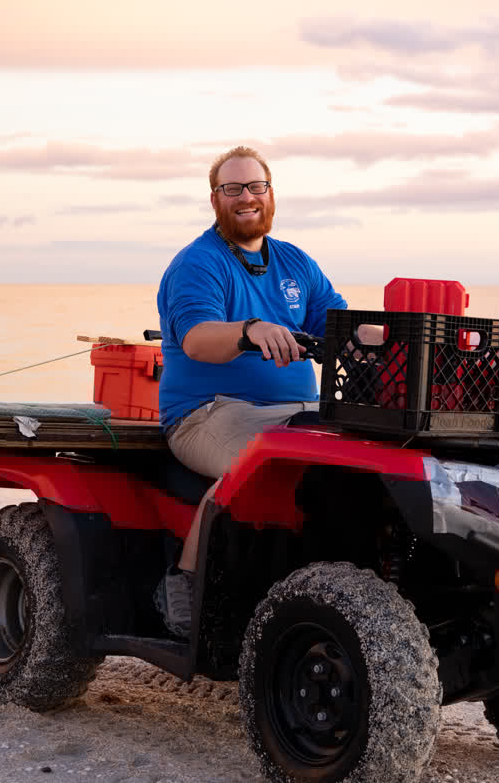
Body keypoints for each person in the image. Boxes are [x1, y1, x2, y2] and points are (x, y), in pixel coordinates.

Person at [153, 145, 347, 638]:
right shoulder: (198, 263)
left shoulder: (296, 262)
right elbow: (196, 339)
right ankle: (185, 585)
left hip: (298, 411)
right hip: (206, 415)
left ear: (271, 193)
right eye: (232, 188)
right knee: (261, 464)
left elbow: (341, 326)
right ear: (215, 199)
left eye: (255, 187)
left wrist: (390, 336)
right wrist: (248, 331)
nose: (246, 197)